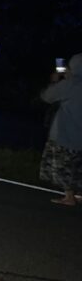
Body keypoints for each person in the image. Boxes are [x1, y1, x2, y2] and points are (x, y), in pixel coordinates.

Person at [39, 53, 82, 206]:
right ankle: (78, 194)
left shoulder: (71, 84)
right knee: (78, 166)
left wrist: (55, 81)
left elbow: (47, 96)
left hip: (66, 134)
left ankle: (69, 197)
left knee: (64, 166)